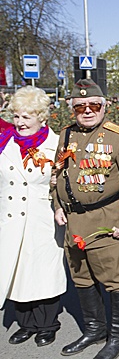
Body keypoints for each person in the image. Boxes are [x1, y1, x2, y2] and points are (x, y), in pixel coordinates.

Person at [53, 79, 119, 359]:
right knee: (82, 279)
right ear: (73, 109)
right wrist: (57, 204)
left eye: (94, 105)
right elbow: (57, 173)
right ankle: (94, 330)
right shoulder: (66, 134)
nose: (88, 111)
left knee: (115, 280)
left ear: (104, 107)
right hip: (75, 222)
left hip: (108, 222)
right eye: (80, 106)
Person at [0, 86, 66, 347]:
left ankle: (48, 324)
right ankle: (25, 323)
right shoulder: (4, 142)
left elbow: (63, 183)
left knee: (43, 271)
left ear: (42, 117)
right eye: (17, 116)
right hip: (10, 217)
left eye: (27, 116)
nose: (20, 122)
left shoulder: (56, 144)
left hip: (42, 217)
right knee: (17, 269)